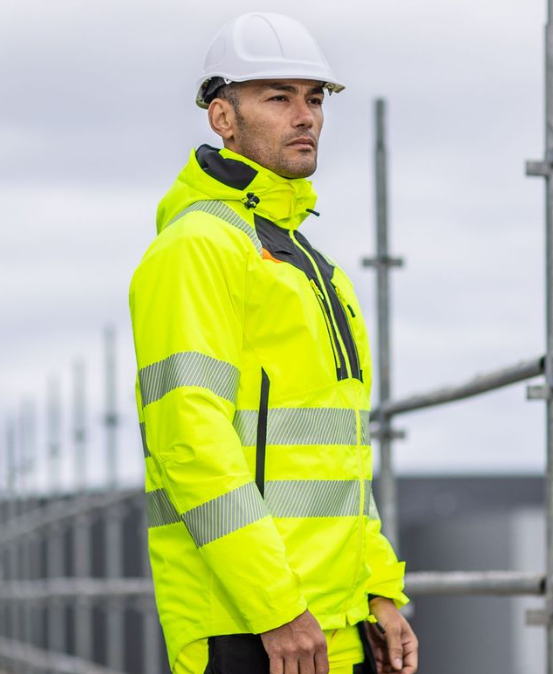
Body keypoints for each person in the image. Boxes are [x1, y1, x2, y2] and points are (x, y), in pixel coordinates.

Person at [128, 13, 419, 674]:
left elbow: (339, 459)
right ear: (222, 118)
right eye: (278, 97)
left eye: (315, 98)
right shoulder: (196, 249)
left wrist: (379, 590)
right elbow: (190, 447)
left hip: (335, 625)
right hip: (251, 627)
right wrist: (275, 608)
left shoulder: (311, 266)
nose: (305, 116)